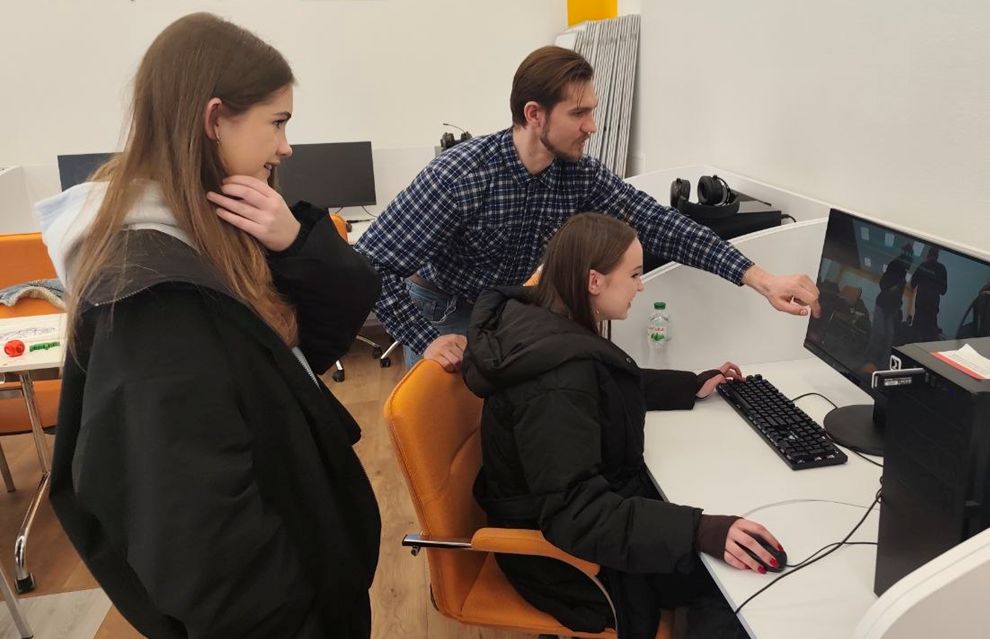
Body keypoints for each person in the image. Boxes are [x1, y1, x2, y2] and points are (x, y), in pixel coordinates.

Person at [36, 13, 381, 639]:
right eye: (277, 122)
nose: (286, 146)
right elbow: (200, 537)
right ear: (215, 119)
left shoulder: (210, 230)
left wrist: (297, 243)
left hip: (310, 566)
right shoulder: (153, 297)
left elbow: (316, 340)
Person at [356, 45, 820, 371]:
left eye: (593, 111)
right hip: (444, 309)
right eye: (578, 113)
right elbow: (371, 263)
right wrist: (425, 339)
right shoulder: (462, 175)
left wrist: (761, 279)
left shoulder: (577, 173)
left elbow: (660, 224)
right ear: (534, 114)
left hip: (502, 305)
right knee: (451, 434)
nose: (593, 126)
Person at [462, 213, 784, 639]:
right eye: (633, 274)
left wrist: (689, 385)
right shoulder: (557, 380)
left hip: (566, 517)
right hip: (569, 565)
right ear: (594, 281)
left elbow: (600, 386)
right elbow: (576, 514)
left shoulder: (540, 323)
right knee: (737, 586)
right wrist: (699, 531)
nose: (641, 285)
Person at [909, 246, 948, 341]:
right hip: (932, 308)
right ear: (937, 256)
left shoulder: (922, 266)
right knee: (929, 336)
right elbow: (943, 291)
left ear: (928, 255)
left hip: (920, 306)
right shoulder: (942, 268)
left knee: (915, 336)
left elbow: (912, 284)